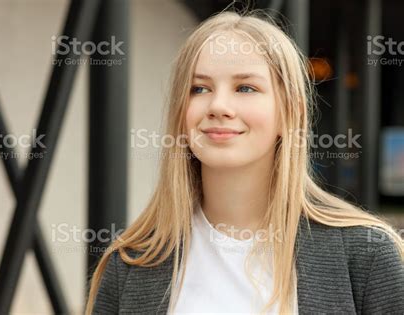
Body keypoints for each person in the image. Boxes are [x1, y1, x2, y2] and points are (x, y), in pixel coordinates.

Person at [85, 9, 404, 315]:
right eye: (199, 88)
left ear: (289, 112)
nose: (219, 105)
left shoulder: (367, 255)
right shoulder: (130, 263)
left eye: (245, 87)